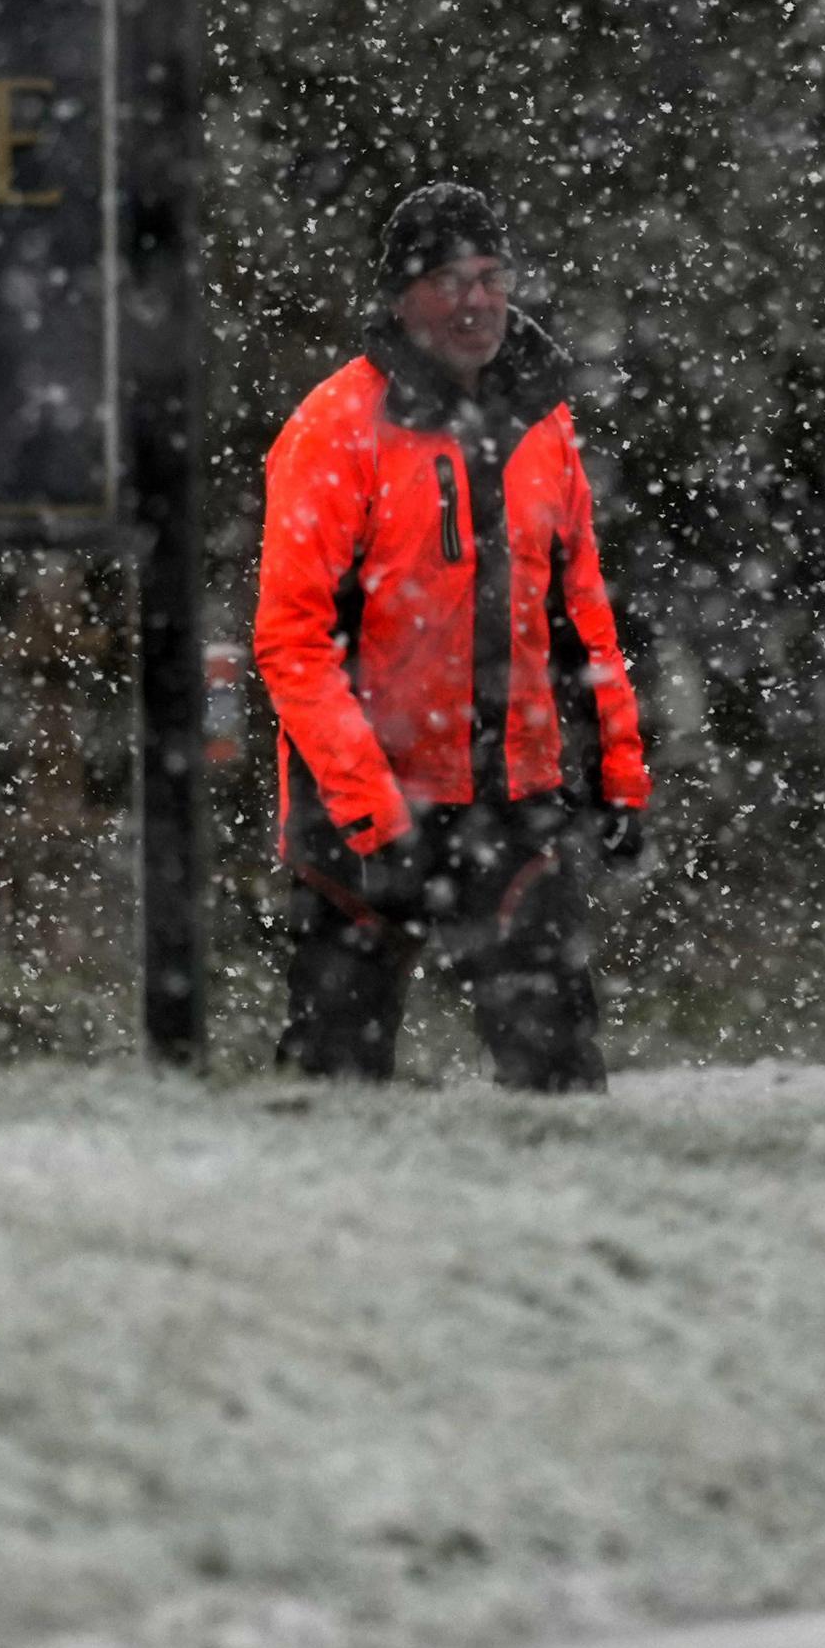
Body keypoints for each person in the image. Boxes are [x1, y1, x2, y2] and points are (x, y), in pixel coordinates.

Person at [252, 181, 653, 1091]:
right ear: (399, 298)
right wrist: (369, 810)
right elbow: (292, 641)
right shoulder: (332, 431)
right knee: (332, 1087)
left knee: (557, 1082)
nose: (475, 300)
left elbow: (580, 613)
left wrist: (619, 773)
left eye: (490, 275)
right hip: (363, 821)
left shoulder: (544, 424)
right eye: (446, 280)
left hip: (513, 807)